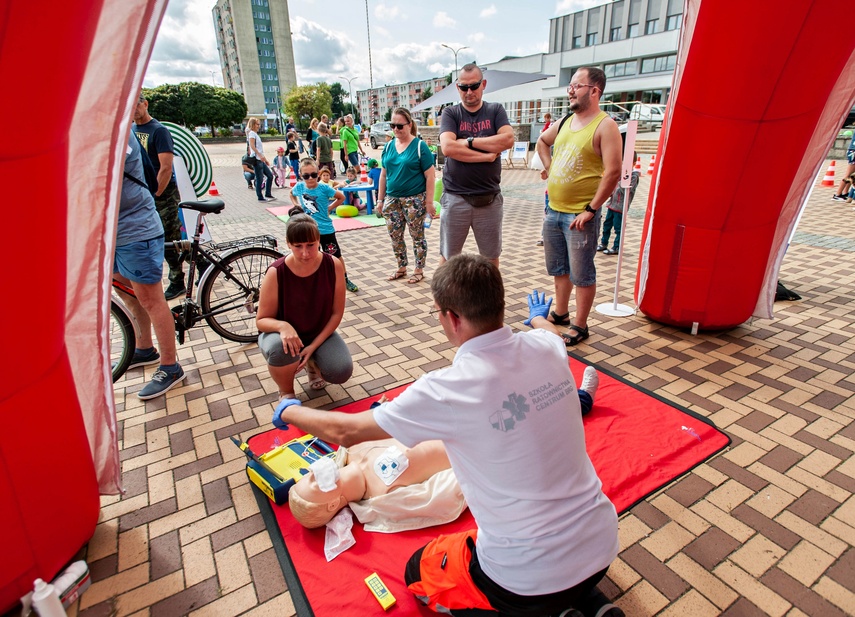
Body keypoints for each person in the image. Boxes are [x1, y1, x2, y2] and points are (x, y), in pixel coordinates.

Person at [273, 254, 617, 616]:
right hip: (601, 542)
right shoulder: (546, 348)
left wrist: (287, 407)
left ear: (452, 318)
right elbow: (552, 336)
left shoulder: (446, 389)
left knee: (418, 572)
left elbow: (345, 430)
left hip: (522, 577)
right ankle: (588, 603)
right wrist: (536, 318)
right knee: (549, 571)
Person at [535, 67, 622, 346]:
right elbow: (541, 142)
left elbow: (612, 172)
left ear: (594, 91)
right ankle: (561, 314)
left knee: (582, 273)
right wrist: (549, 168)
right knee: (559, 268)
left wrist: (592, 209)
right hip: (554, 209)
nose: (570, 90)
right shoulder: (564, 122)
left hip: (579, 214)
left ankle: (580, 325)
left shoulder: (605, 126)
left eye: (576, 85)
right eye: (570, 86)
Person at [114, 128, 186, 399]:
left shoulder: (117, 131)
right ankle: (144, 348)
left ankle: (170, 366)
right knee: (125, 291)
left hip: (135, 229)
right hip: (112, 234)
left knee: (151, 299)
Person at [256, 213, 353, 398]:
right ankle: (286, 391)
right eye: (297, 246)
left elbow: (336, 313)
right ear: (288, 244)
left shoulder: (333, 265)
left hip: (318, 331)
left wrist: (313, 346)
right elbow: (261, 320)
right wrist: (283, 326)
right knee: (280, 349)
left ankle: (313, 364)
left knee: (341, 370)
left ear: (319, 240)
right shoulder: (276, 272)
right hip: (281, 336)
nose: (305, 253)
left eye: (311, 245)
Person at [287, 435, 460, 530]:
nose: (314, 472)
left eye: (308, 474)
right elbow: (446, 492)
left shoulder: (350, 447)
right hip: (466, 435)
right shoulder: (385, 494)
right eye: (313, 482)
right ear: (332, 505)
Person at [438, 63, 515, 268]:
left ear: (484, 85)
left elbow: (507, 140)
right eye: (464, 87)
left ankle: (490, 301)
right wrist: (486, 156)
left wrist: (469, 141)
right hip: (456, 196)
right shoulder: (451, 113)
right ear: (458, 88)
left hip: (489, 198)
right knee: (448, 260)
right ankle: (442, 302)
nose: (469, 92)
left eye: (474, 86)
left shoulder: (495, 110)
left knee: (490, 259)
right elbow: (448, 148)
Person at [133, 93, 185, 300]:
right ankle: (201, 263)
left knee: (168, 237)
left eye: (136, 105)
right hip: (143, 194)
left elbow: (165, 168)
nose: (133, 110)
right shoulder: (131, 130)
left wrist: (155, 194)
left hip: (162, 194)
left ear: (145, 104)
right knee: (169, 237)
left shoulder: (159, 131)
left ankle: (177, 280)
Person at [376, 107, 436, 285]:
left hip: (414, 200)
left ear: (409, 125)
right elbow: (383, 175)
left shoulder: (419, 146)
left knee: (417, 235)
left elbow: (430, 176)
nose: (396, 129)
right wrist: (380, 200)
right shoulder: (387, 146)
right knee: (395, 235)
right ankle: (401, 266)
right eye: (392, 125)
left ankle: (419, 269)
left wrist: (429, 203)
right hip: (392, 199)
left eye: (399, 126)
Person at [289, 158, 359, 293]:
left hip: (325, 229)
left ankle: (344, 279)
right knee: (311, 256)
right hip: (309, 230)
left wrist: (330, 208)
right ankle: (315, 281)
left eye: (314, 175)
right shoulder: (299, 186)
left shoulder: (324, 188)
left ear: (318, 173)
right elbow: (291, 193)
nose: (310, 178)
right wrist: (296, 204)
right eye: (306, 175)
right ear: (301, 175)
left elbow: (341, 197)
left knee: (335, 256)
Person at [598, 143, 640, 256]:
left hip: (620, 207)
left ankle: (616, 246)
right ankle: (603, 243)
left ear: (634, 164)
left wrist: (621, 180)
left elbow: (627, 190)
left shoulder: (634, 176)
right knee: (607, 225)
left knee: (618, 228)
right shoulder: (619, 173)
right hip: (612, 205)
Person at [247, 117, 275, 202]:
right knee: (259, 178)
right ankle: (260, 197)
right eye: (257, 124)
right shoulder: (251, 133)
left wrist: (264, 158)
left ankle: (268, 193)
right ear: (253, 125)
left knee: (270, 175)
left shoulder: (255, 134)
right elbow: (252, 146)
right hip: (256, 159)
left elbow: (259, 148)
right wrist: (259, 155)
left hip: (260, 159)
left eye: (259, 124)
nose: (258, 126)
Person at [832, 131, 855, 201]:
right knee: (848, 175)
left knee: (852, 175)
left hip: (852, 151)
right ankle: (838, 194)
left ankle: (845, 192)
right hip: (853, 152)